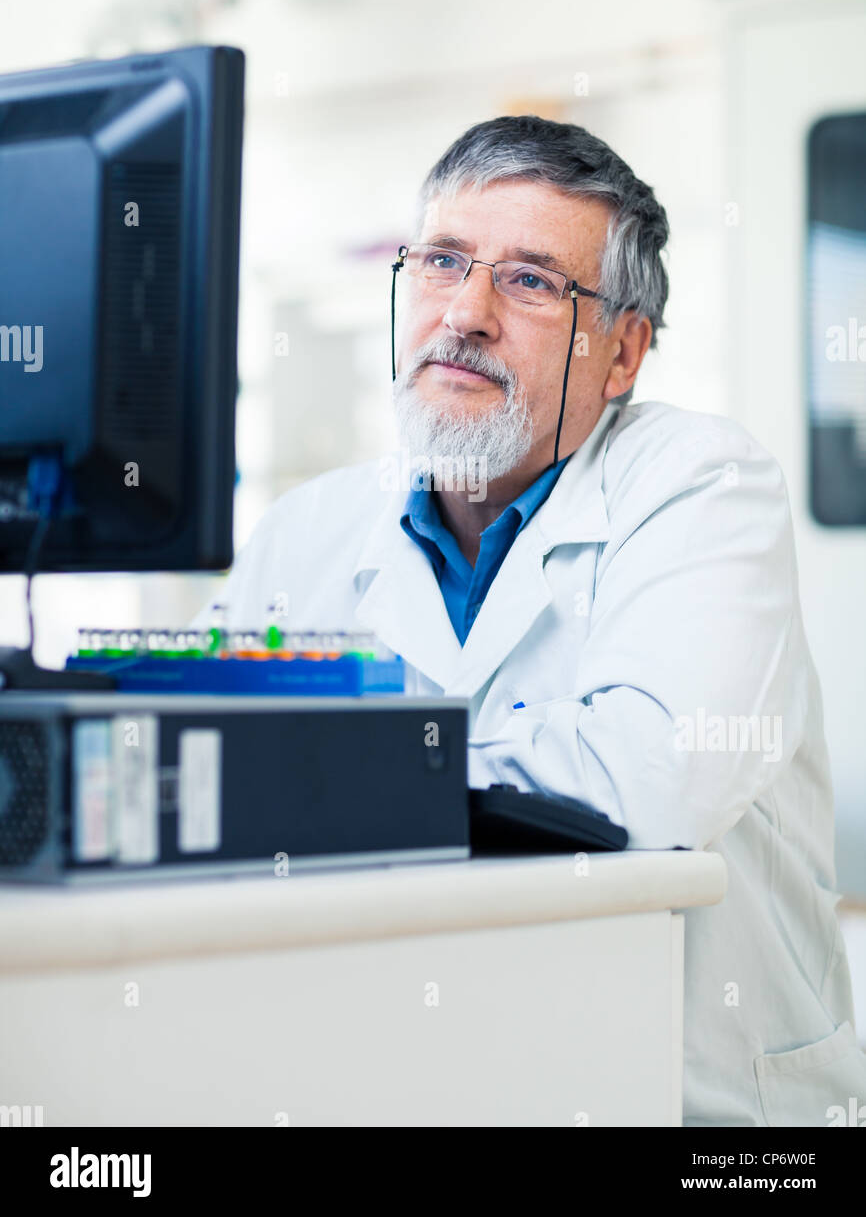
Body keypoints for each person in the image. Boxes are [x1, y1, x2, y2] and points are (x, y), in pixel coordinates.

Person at [193, 115, 866, 1126]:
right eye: (440, 261)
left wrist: (320, 765)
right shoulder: (305, 533)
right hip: (412, 1087)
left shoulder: (701, 485)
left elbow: (647, 778)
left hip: (702, 1110)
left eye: (529, 281)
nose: (462, 311)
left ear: (622, 352)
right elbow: (193, 760)